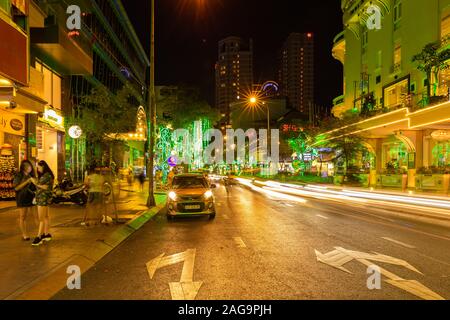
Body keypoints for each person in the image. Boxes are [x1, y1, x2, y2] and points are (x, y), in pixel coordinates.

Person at [30, 160, 54, 247]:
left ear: (43, 166)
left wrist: (34, 181)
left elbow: (40, 184)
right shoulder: (48, 175)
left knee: (41, 219)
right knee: (46, 217)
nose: (38, 169)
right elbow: (43, 186)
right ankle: (46, 234)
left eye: (39, 167)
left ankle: (39, 237)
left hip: (42, 199)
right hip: (45, 198)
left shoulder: (46, 176)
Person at [13, 160, 36, 241]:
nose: (30, 167)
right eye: (28, 166)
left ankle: (41, 233)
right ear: (24, 167)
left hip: (31, 198)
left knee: (36, 216)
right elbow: (16, 188)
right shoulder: (19, 175)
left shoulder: (31, 175)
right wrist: (27, 181)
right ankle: (24, 234)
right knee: (23, 217)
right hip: (22, 197)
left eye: (30, 166)